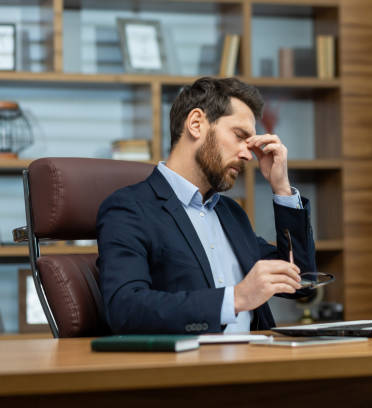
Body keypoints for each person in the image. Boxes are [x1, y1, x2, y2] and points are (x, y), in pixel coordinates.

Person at [96, 77, 316, 334]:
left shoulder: (231, 213)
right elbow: (126, 309)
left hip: (259, 361)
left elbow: (300, 280)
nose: (248, 155)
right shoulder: (129, 209)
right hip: (192, 368)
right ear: (196, 123)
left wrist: (282, 188)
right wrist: (235, 299)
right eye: (239, 136)